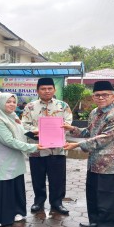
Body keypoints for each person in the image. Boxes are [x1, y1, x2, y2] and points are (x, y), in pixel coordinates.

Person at [63, 81, 114, 227]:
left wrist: (77, 144)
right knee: (93, 194)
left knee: (107, 196)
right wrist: (72, 129)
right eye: (97, 95)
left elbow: (105, 137)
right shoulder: (94, 112)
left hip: (110, 163)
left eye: (105, 94)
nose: (101, 97)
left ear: (113, 96)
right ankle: (95, 222)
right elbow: (90, 132)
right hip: (94, 161)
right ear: (93, 97)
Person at [0, 93, 43, 226]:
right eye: (8, 102)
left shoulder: (12, 117)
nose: (12, 104)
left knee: (15, 185)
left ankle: (17, 211)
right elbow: (8, 140)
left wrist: (36, 134)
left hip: (14, 159)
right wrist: (33, 147)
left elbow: (20, 132)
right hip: (1, 160)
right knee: (3, 187)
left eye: (13, 101)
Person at [21, 77, 72, 215]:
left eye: (49, 88)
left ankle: (57, 203)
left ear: (54, 90)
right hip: (38, 148)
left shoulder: (63, 106)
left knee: (58, 178)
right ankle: (39, 201)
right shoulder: (30, 107)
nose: (46, 91)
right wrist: (37, 131)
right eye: (43, 89)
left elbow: (68, 122)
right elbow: (24, 125)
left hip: (57, 149)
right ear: (37, 90)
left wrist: (62, 128)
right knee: (38, 177)